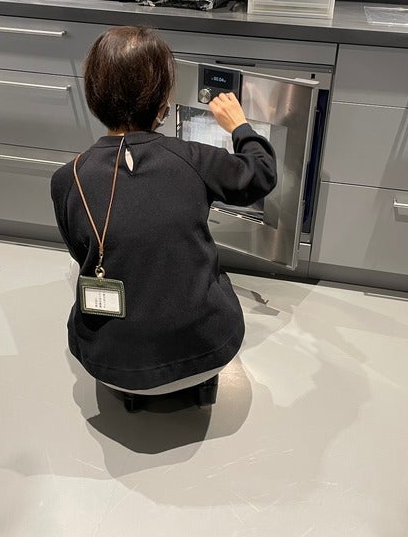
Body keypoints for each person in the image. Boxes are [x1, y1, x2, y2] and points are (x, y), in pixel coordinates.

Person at [50, 26, 277, 411]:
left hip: (110, 365)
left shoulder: (67, 179)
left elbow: (80, 251)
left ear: (93, 97)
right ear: (162, 105)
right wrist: (239, 125)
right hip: (207, 353)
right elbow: (262, 173)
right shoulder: (194, 159)